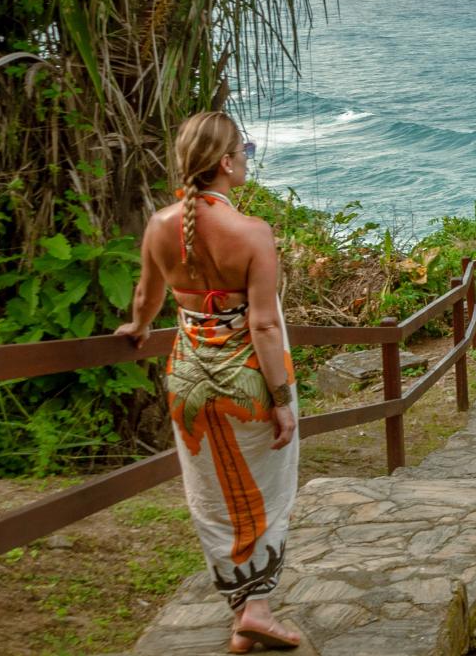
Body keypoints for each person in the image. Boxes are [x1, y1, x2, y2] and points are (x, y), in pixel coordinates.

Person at [116, 112, 302, 652]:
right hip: (248, 386)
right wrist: (283, 400)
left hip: (189, 383)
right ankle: (258, 608)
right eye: (243, 147)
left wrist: (138, 327)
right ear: (225, 163)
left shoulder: (158, 226)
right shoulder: (252, 233)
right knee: (264, 492)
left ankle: (242, 612)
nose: (248, 154)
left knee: (214, 496)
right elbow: (264, 325)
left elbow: (146, 299)